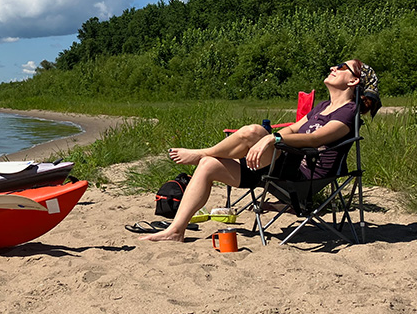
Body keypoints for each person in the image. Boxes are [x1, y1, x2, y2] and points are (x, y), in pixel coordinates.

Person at [139, 59, 380, 243]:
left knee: (254, 131)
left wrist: (270, 140)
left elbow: (316, 137)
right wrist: (273, 139)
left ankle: (202, 152)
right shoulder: (323, 106)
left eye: (341, 66)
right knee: (208, 166)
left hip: (303, 176)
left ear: (353, 81)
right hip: (280, 170)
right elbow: (293, 128)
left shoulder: (349, 113)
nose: (333, 67)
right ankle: (175, 231)